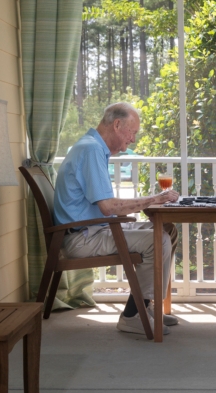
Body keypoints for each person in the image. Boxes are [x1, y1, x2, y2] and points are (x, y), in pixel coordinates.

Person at [52, 102, 181, 335]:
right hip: (82, 237)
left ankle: (145, 306)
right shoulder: (91, 149)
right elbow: (108, 207)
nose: (132, 140)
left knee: (167, 230)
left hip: (92, 228)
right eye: (132, 132)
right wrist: (153, 199)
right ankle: (133, 315)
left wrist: (151, 202)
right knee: (158, 239)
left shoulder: (93, 148)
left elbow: (107, 207)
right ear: (117, 124)